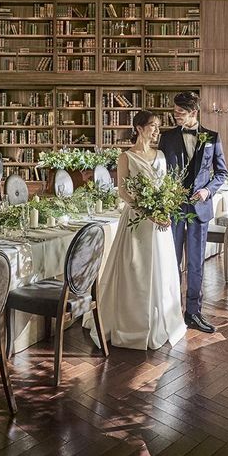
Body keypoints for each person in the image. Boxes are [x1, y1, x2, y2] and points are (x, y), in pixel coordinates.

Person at [90, 110, 186, 350]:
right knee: (135, 268)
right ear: (139, 128)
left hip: (159, 221)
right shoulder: (126, 157)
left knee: (161, 267)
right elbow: (123, 192)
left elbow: (165, 187)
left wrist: (165, 209)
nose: (157, 131)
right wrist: (148, 212)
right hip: (136, 220)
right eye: (152, 126)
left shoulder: (161, 155)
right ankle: (132, 324)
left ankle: (160, 320)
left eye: (158, 126)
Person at [158, 91, 228, 333]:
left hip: (200, 209)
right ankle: (171, 312)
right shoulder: (167, 138)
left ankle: (193, 313)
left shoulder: (212, 137)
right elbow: (160, 172)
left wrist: (208, 191)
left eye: (180, 112)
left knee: (196, 263)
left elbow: (222, 173)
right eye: (175, 111)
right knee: (172, 261)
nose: (175, 116)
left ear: (194, 113)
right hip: (174, 209)